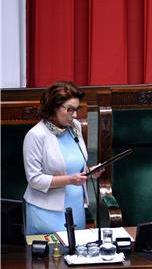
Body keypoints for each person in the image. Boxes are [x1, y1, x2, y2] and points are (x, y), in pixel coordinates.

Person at [23, 81, 102, 234]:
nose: (75, 115)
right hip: (46, 212)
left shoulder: (75, 127)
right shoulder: (35, 136)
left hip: (76, 208)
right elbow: (34, 179)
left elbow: (73, 166)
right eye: (70, 110)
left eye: (76, 109)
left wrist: (90, 171)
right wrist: (70, 180)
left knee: (76, 255)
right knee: (53, 257)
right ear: (53, 107)